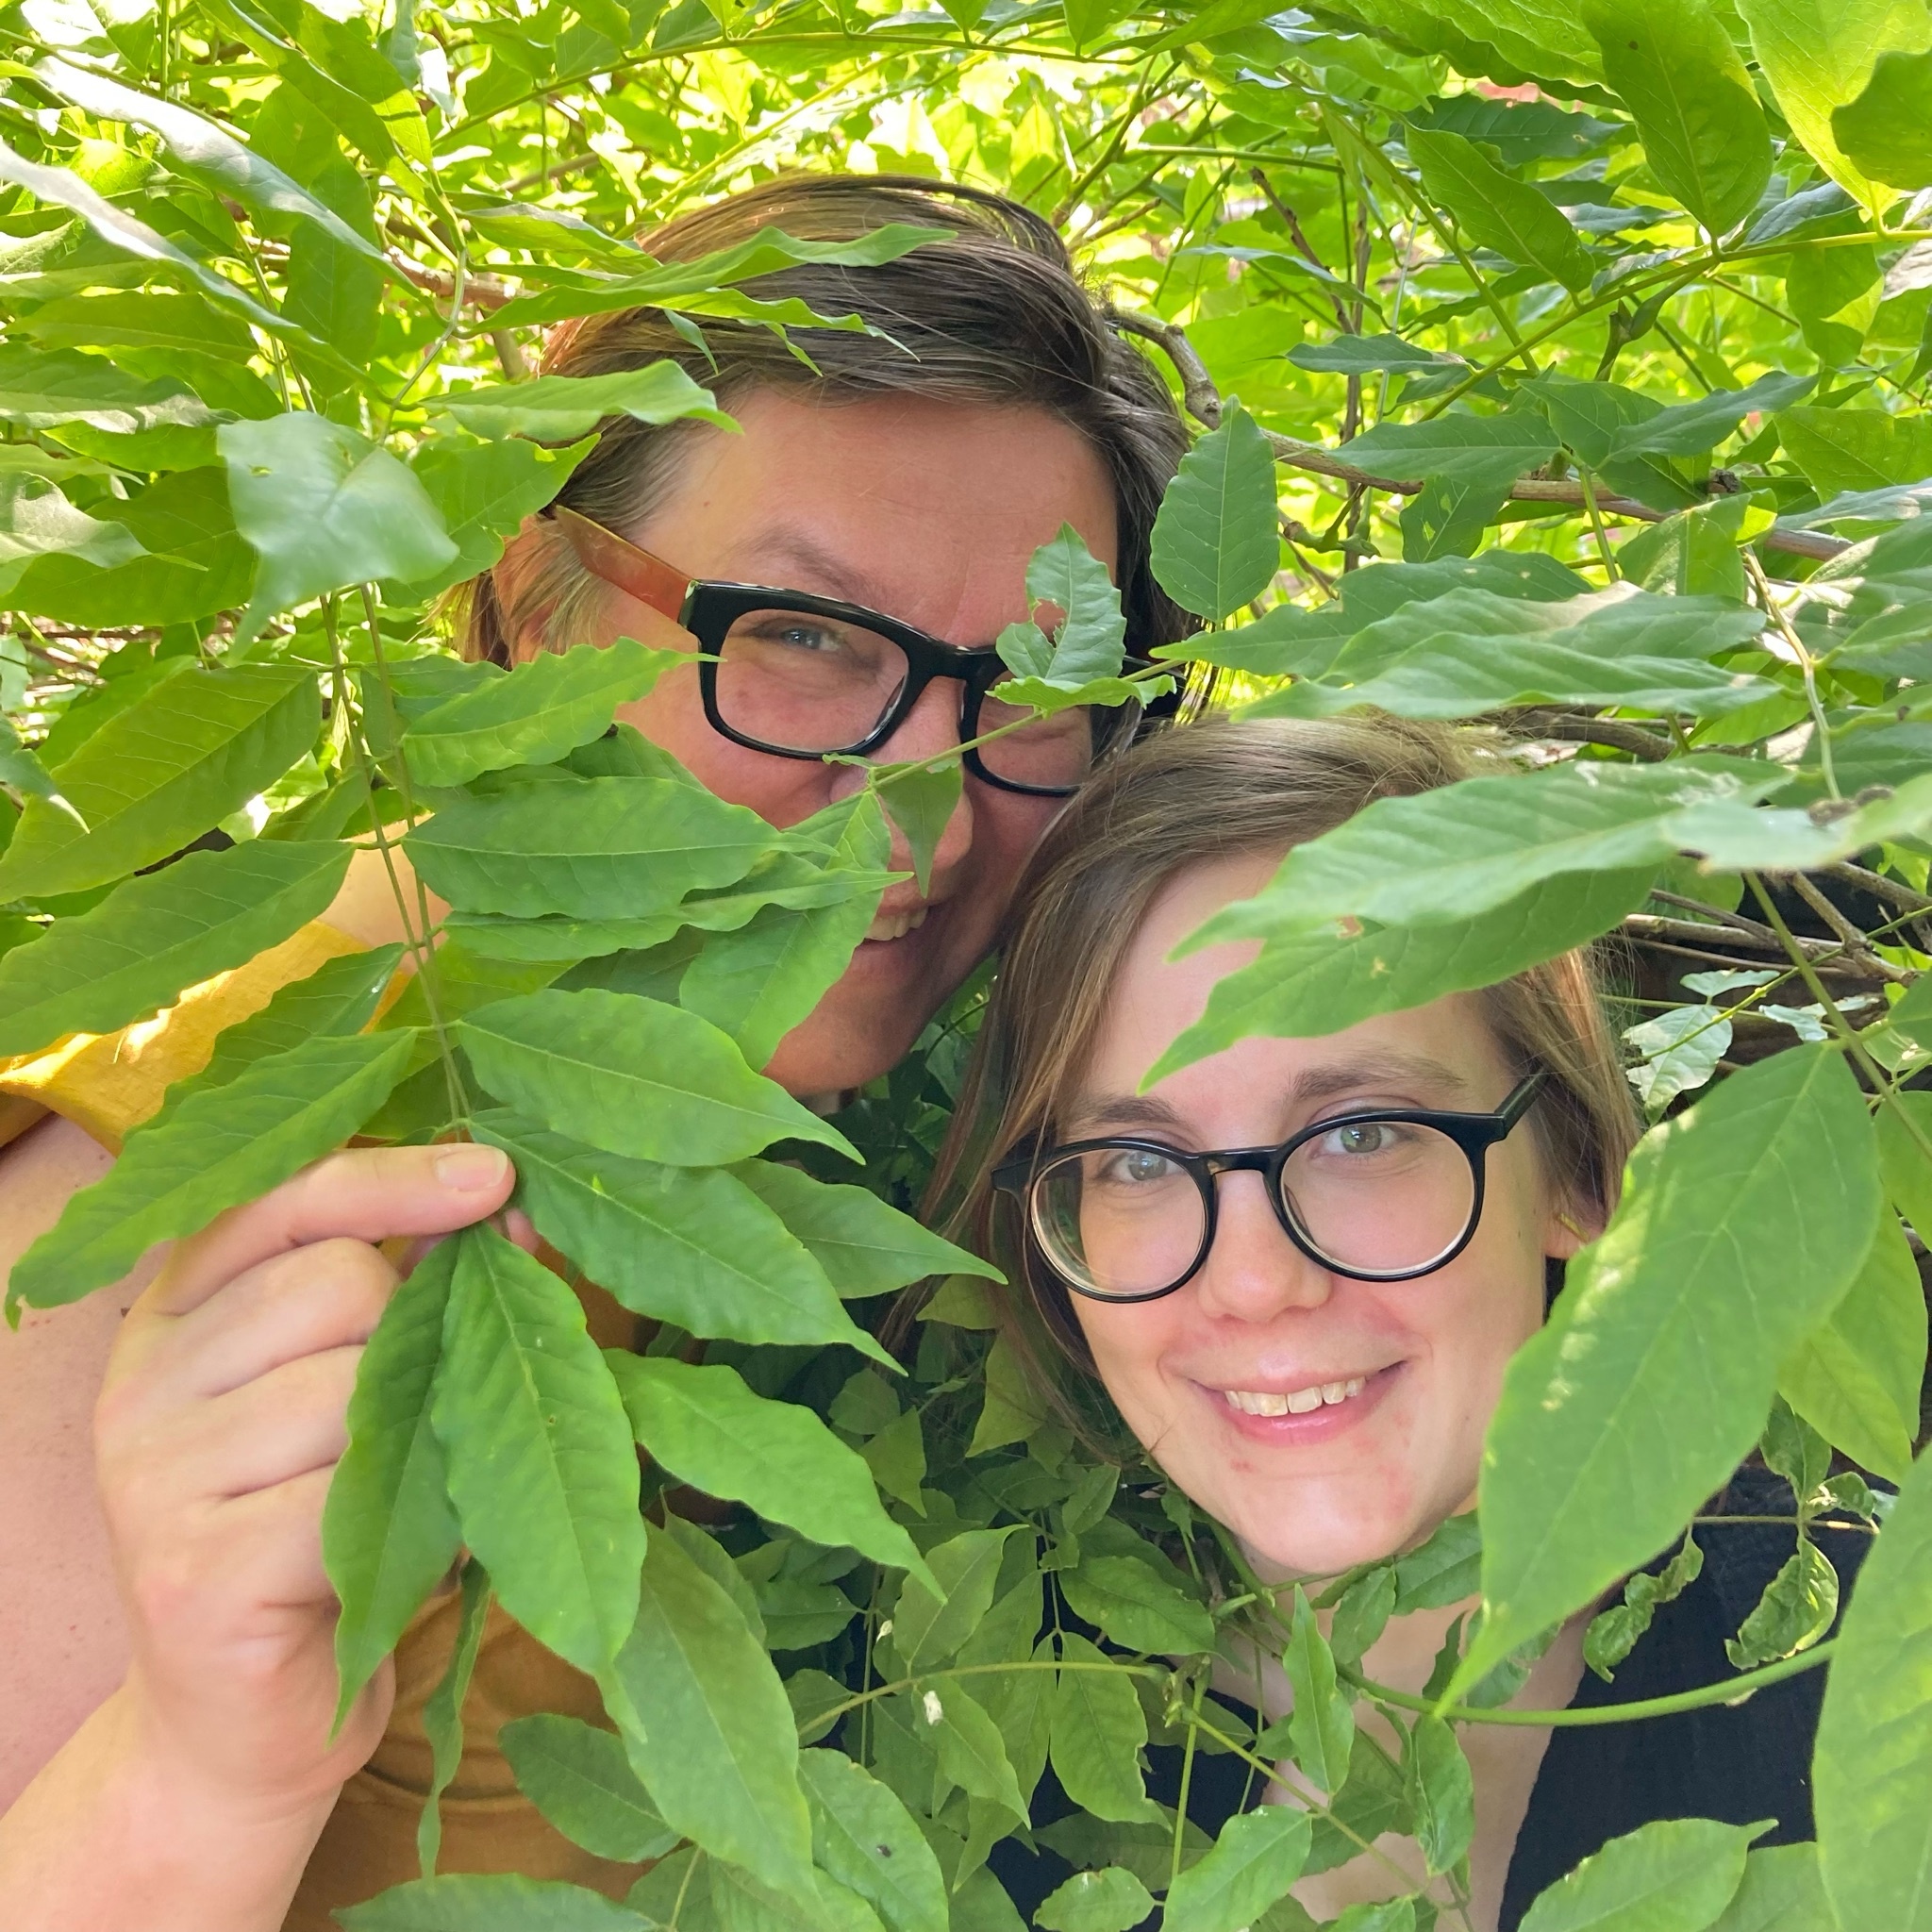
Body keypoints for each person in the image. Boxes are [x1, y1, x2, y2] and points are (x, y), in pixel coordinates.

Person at [0, 175, 1191, 1930]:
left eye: (1028, 695)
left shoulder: (841, 1093)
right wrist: (192, 1781)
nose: (925, 827)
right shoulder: (222, 1156)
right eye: (803, 638)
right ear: (539, 596)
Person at [941, 715, 1872, 1932]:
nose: (1255, 1282)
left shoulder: (1851, 1675)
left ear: (1579, 1172)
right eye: (1136, 1160)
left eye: (1360, 1134)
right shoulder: (973, 1747)